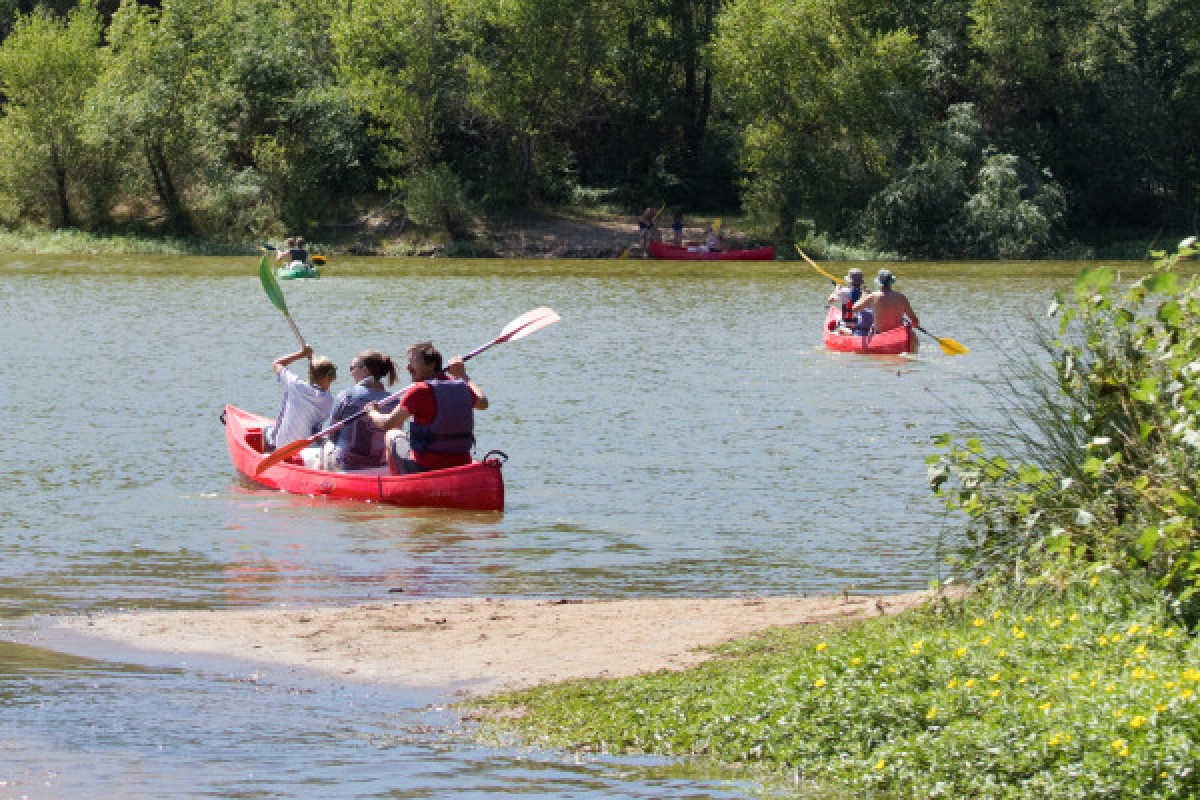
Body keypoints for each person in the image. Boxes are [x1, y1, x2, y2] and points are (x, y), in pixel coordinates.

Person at [364, 341, 488, 475]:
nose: (408, 367)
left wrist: (372, 412)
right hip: (461, 464)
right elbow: (483, 403)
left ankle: (399, 484)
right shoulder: (461, 387)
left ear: (431, 365)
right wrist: (462, 375)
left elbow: (387, 423)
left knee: (392, 434)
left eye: (413, 362)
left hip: (426, 469)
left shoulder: (419, 391)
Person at [320, 349, 398, 471]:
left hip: (347, 464)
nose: (351, 373)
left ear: (365, 370)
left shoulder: (346, 396)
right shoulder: (394, 401)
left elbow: (332, 434)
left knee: (325, 444)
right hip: (380, 465)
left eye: (352, 368)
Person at [263, 345, 337, 451]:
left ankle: (268, 457)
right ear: (327, 378)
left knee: (266, 430)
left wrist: (302, 353)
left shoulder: (295, 385)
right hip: (307, 449)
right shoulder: (329, 400)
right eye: (331, 379)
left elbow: (277, 363)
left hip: (283, 445)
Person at [853, 269, 919, 333]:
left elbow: (853, 309)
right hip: (898, 334)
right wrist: (910, 326)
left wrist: (863, 296)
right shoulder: (901, 297)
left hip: (880, 334)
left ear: (878, 283)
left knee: (871, 328)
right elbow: (915, 321)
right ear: (891, 282)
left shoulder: (873, 296)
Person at [826, 268, 871, 332]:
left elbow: (830, 300)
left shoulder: (843, 291)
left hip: (847, 323)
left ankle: (843, 328)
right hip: (861, 323)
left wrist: (836, 289)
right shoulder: (866, 293)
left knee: (837, 322)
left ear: (849, 281)